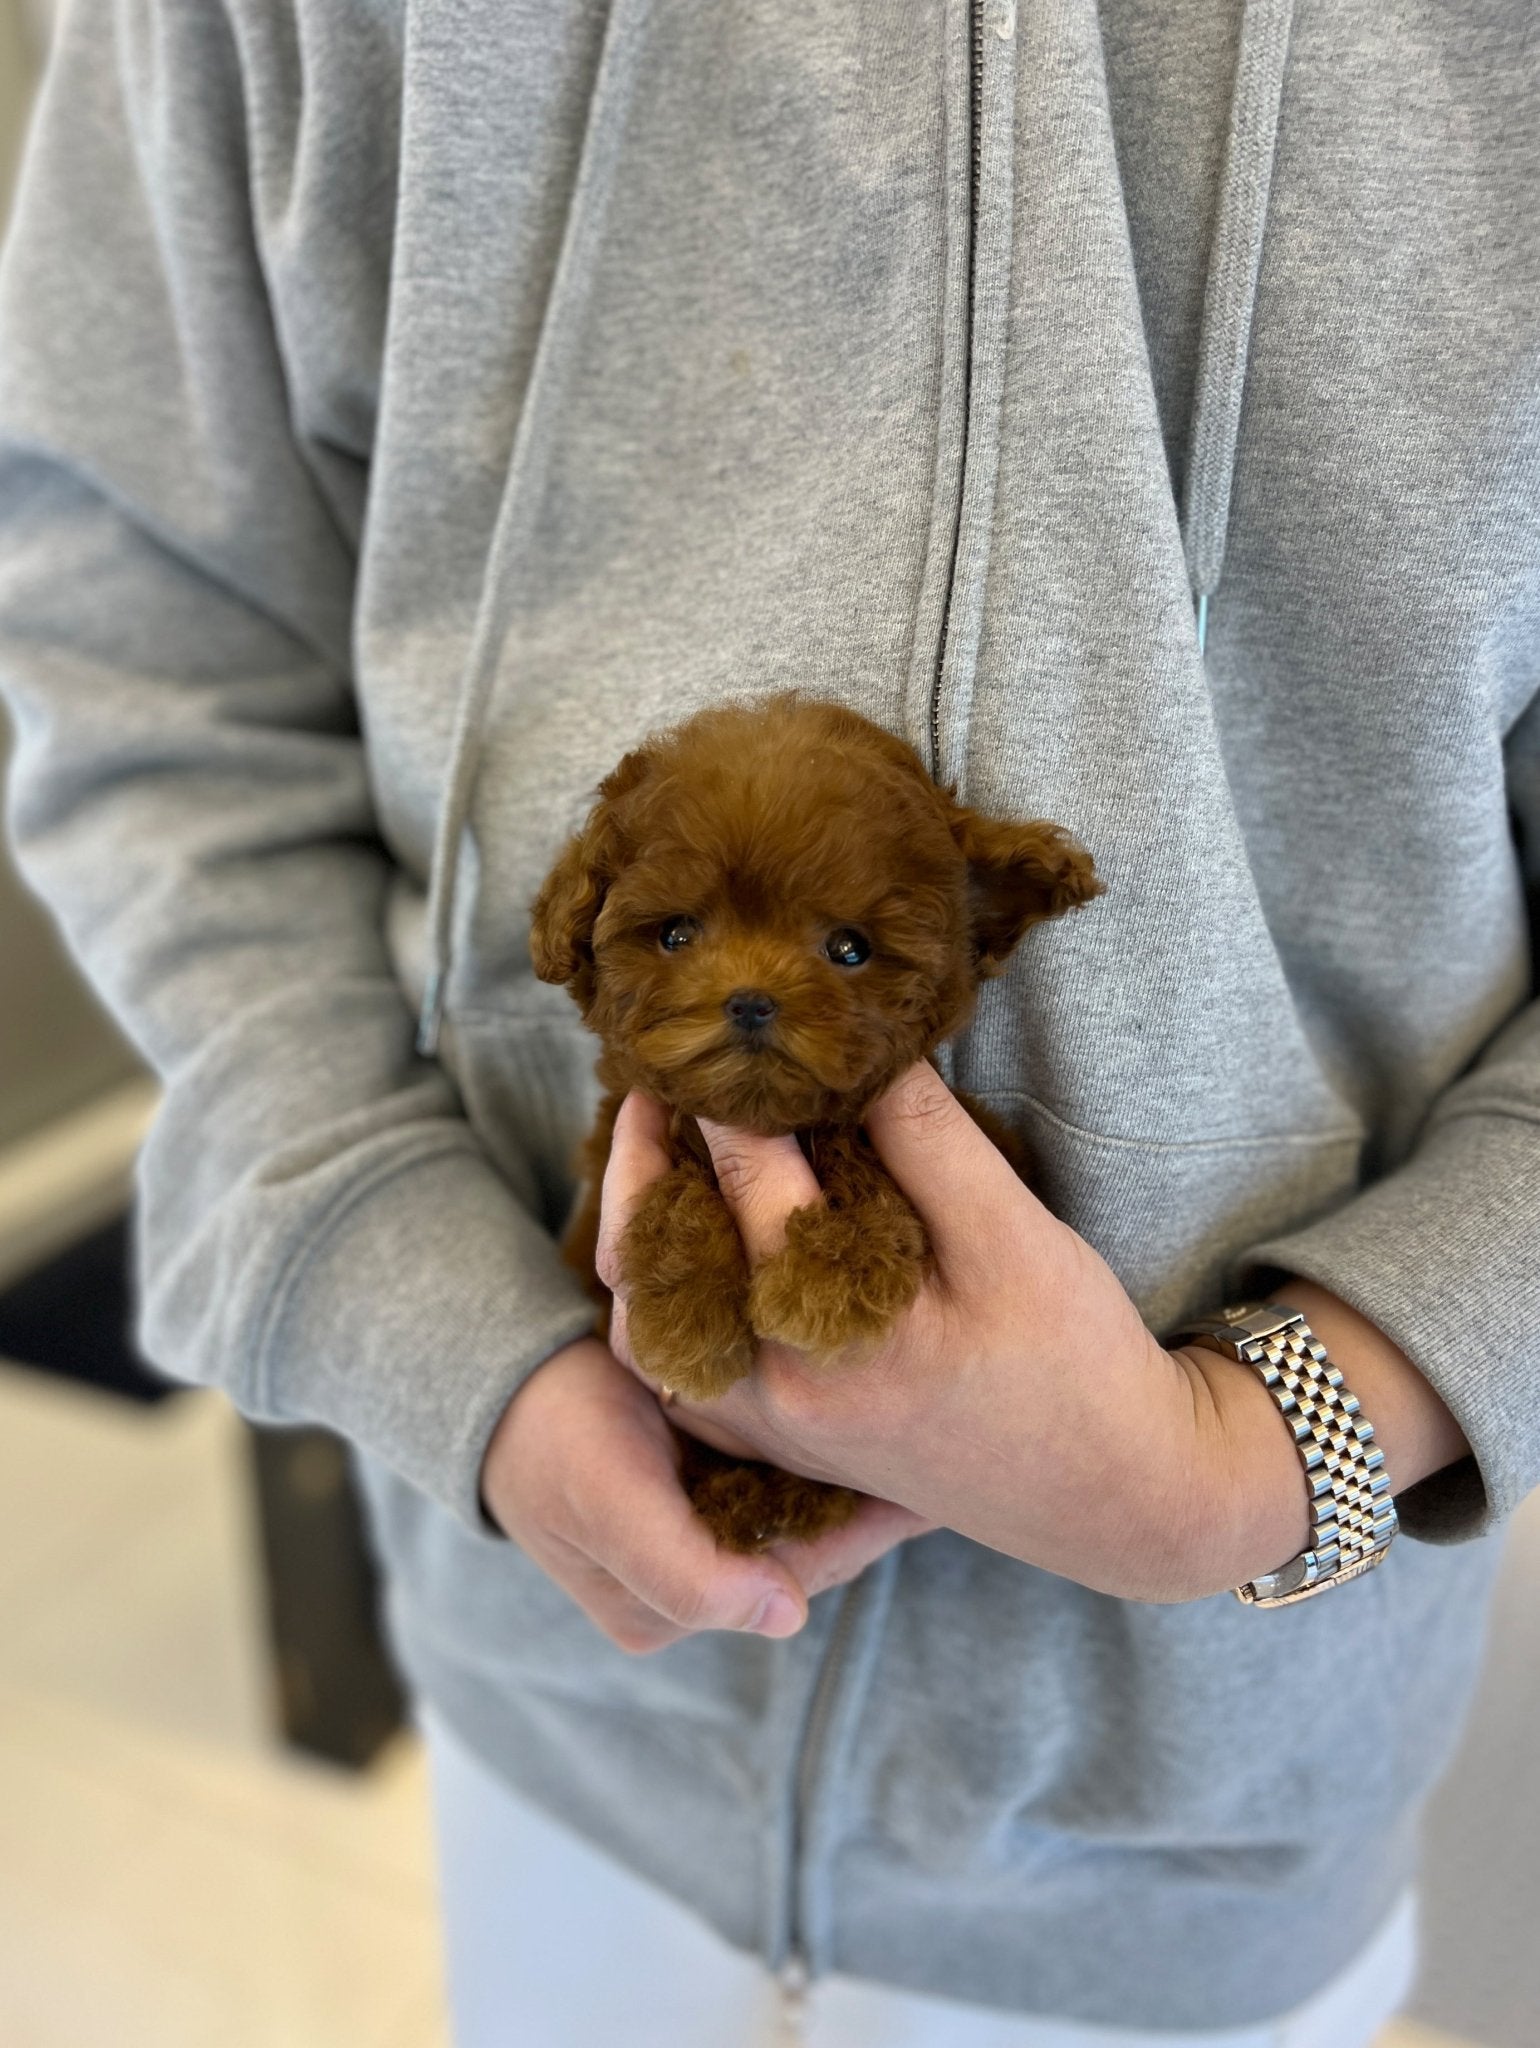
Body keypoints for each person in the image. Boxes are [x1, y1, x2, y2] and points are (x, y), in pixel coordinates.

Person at [0, 1, 1534, 2043]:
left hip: (1191, 1828)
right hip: (561, 1681)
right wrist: (431, 1311)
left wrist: (1272, 1449)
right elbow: (141, 648)